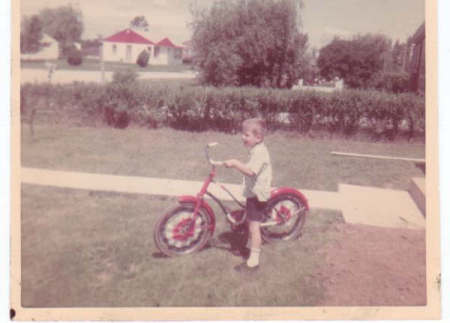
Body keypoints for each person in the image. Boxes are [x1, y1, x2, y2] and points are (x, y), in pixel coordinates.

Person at [224, 118, 272, 272]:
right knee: (248, 220)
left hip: (257, 194)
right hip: (253, 191)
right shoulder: (257, 149)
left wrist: (236, 163)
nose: (242, 138)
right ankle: (242, 245)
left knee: (254, 227)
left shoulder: (260, 152)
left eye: (246, 135)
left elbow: (251, 171)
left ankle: (254, 260)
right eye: (243, 134)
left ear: (258, 138)